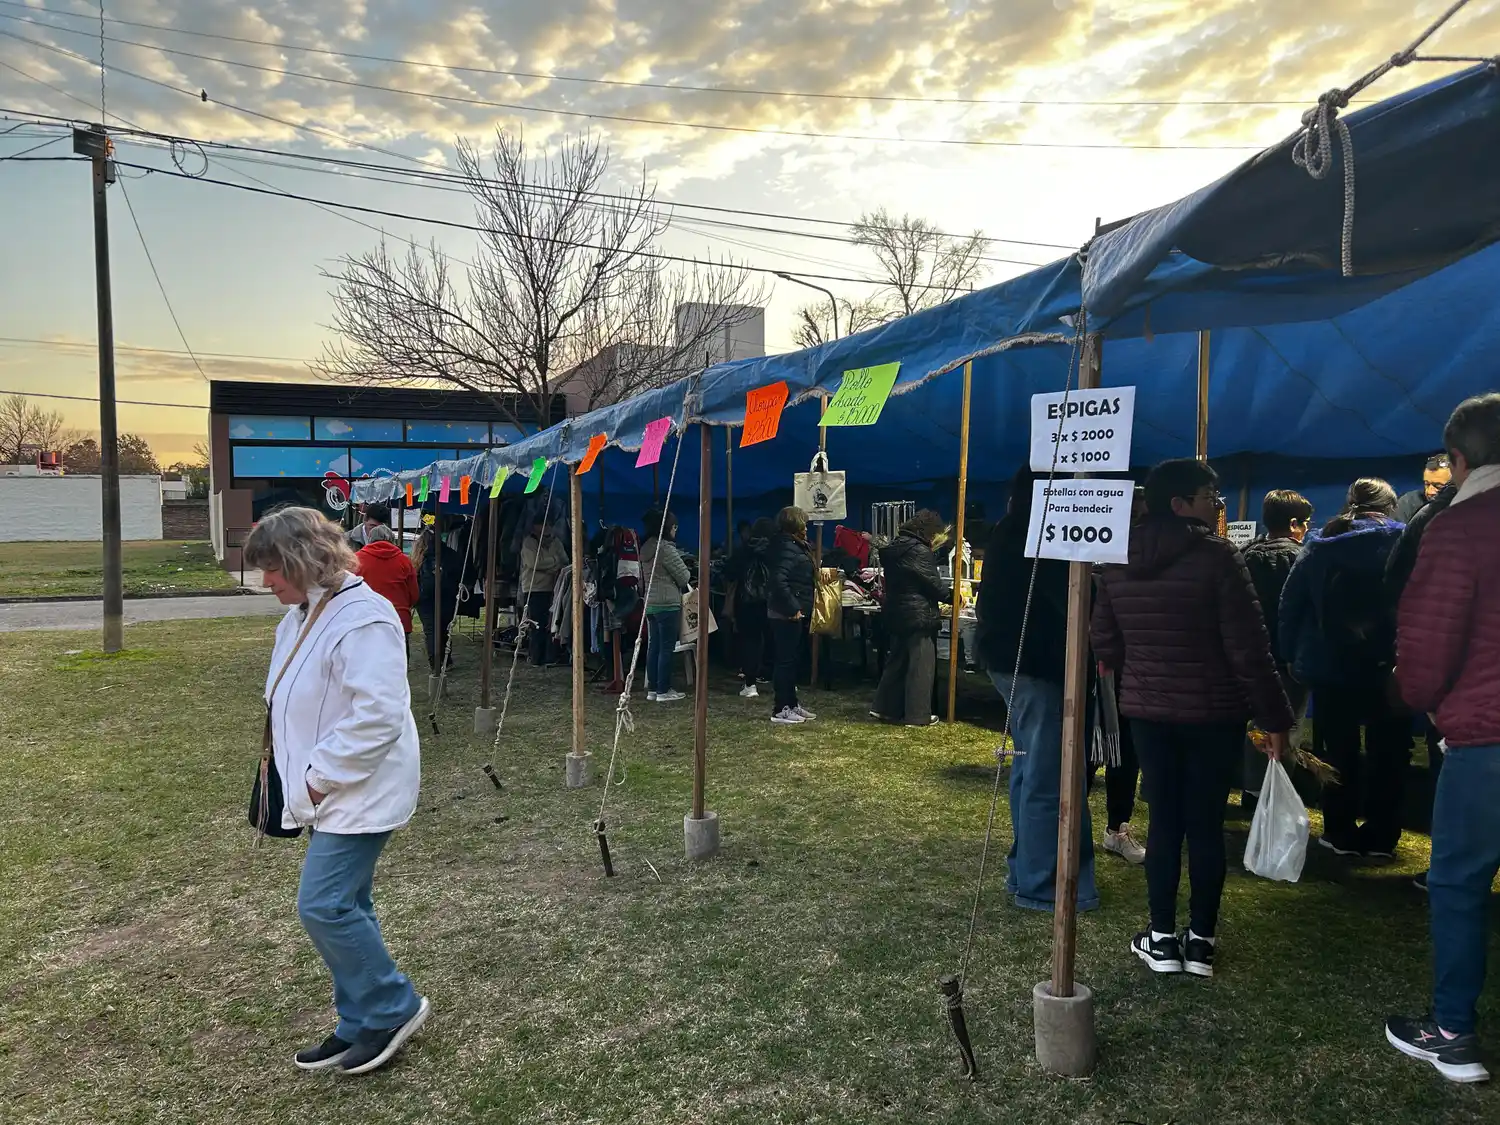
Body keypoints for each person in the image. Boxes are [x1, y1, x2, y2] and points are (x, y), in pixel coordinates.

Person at [243, 507, 430, 1076]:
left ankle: (393, 1006)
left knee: (323, 905)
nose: (265, 580)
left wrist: (317, 779)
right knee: (349, 904)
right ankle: (359, 1021)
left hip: (358, 786)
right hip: (330, 787)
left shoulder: (364, 616)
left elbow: (377, 715)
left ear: (302, 559)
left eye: (272, 567)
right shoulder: (302, 615)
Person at [1092, 458, 1292, 978]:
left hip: (1148, 712)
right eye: (1211, 496)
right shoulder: (1218, 556)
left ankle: (1160, 937)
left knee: (1164, 822)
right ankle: (1199, 941)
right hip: (1213, 713)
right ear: (1181, 504)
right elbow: (1250, 648)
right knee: (1204, 824)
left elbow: (1105, 640)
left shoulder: (1116, 557)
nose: (1217, 505)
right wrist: (1275, 717)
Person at [1385, 393, 1500, 1085]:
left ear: (1457, 460)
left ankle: (1453, 1031)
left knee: (1458, 883)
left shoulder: (1459, 529)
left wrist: (1418, 697)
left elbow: (1425, 650)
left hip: (1486, 739)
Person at [977, 469, 1100, 912]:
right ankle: (1041, 882)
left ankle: (1026, 871)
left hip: (1012, 661)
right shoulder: (1043, 533)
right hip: (1035, 664)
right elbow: (1070, 598)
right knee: (1049, 777)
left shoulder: (1013, 529)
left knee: (1031, 771)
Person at [1279, 478, 1409, 859]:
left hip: (1332, 664)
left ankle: (1338, 831)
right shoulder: (1408, 539)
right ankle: (1383, 837)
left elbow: (1292, 603)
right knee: (1390, 753)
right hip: (1392, 665)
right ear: (1391, 506)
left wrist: (1290, 655)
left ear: (1349, 503)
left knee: (1337, 750)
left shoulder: (1322, 543)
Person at [1385, 473, 1460, 892]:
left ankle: (1448, 870)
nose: (1432, 488)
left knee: (1451, 768)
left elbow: (1398, 584)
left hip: (1454, 676)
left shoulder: (1435, 518)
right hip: (1458, 678)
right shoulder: (1425, 513)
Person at [1240, 489, 1314, 808]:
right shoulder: (1300, 558)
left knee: (1254, 724)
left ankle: (1251, 789)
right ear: (1295, 523)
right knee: (1286, 726)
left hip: (1248, 656)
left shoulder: (1244, 555)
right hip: (1286, 661)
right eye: (1306, 523)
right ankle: (1271, 794)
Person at [871, 510, 948, 727]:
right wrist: (953, 596)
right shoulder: (919, 551)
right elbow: (934, 585)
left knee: (897, 661)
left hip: (897, 610)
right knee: (921, 665)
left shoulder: (897, 547)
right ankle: (918, 715)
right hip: (918, 613)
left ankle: (883, 708)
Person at [766, 505, 816, 725]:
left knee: (792, 660)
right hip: (785, 613)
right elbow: (778, 581)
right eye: (804, 523)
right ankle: (781, 708)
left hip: (794, 610)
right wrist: (792, 606)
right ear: (795, 525)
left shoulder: (794, 545)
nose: (807, 528)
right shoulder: (785, 547)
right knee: (785, 661)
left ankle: (792, 703)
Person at [639, 509, 691, 703]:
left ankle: (653, 689)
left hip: (650, 604)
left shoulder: (645, 548)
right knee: (666, 648)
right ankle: (664, 689)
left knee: (654, 647)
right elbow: (684, 576)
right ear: (669, 527)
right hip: (668, 603)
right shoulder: (666, 548)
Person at [725, 517, 775, 699]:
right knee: (775, 641)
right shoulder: (776, 551)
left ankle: (750, 684)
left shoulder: (743, 550)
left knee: (749, 643)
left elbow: (729, 571)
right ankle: (780, 681)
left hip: (746, 603)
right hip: (771, 602)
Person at [355, 525, 419, 657]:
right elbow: (414, 595)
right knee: (398, 664)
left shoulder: (356, 560)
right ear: (391, 539)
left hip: (367, 618)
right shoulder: (404, 561)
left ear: (370, 539)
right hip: (399, 618)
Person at [412, 522, 462, 674]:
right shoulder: (450, 554)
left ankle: (436, 662)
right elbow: (460, 572)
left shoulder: (417, 556)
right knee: (444, 628)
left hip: (424, 598)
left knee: (431, 630)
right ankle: (445, 659)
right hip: (447, 596)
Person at [519, 516, 568, 667]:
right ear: (535, 526)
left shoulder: (556, 541)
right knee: (536, 624)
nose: (546, 528)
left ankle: (549, 656)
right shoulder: (529, 543)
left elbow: (565, 561)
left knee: (551, 623)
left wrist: (549, 563)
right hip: (534, 587)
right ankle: (535, 657)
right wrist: (554, 562)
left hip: (553, 587)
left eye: (548, 524)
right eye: (542, 524)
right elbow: (534, 563)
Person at [1394, 453, 1453, 526]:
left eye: (1438, 486)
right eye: (1427, 484)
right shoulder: (1409, 502)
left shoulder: (1467, 505)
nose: (1429, 491)